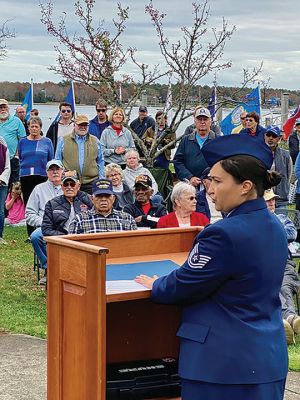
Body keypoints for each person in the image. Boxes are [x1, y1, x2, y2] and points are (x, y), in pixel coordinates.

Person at [135, 134, 288, 400]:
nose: (210, 189)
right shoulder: (275, 226)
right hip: (265, 360)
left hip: (221, 368)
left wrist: (157, 284)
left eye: (217, 181)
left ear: (245, 186)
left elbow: (183, 285)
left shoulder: (222, 234)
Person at [37, 170, 93, 284]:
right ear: (61, 187)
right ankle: (49, 270)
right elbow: (46, 229)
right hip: (62, 241)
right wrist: (65, 237)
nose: (69, 187)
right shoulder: (52, 204)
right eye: (65, 184)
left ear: (78, 185)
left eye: (72, 184)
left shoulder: (88, 199)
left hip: (84, 240)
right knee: (36, 237)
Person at [263, 188, 300, 345]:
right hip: (264, 266)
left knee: (285, 286)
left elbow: (292, 234)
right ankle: (291, 319)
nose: (272, 203)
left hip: (284, 263)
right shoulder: (254, 222)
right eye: (268, 200)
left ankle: (287, 320)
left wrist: (270, 230)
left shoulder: (282, 218)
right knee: (273, 287)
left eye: (273, 200)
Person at [18, 116, 54, 237]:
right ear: (28, 128)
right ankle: (30, 233)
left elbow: (51, 160)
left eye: (36, 126)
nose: (34, 129)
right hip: (26, 176)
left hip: (42, 175)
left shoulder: (46, 141)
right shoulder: (23, 141)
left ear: (40, 128)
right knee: (29, 202)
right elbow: (20, 158)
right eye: (31, 126)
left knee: (43, 202)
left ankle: (44, 228)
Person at [26, 160, 64, 269]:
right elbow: (29, 214)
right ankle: (49, 268)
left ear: (63, 171)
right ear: (46, 172)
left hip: (65, 225)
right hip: (45, 225)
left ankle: (67, 267)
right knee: (35, 236)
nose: (55, 172)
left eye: (57, 169)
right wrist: (43, 222)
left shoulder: (68, 187)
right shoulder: (38, 189)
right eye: (51, 170)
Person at [55, 114, 104, 194]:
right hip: (70, 182)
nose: (83, 127)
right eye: (80, 125)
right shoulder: (63, 140)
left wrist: (101, 178)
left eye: (85, 125)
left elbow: (100, 161)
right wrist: (61, 176)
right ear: (74, 125)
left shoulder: (96, 141)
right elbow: (58, 160)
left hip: (91, 182)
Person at [69, 178, 137, 234]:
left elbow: (136, 244)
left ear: (113, 198)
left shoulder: (128, 219)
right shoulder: (79, 220)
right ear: (92, 199)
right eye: (99, 196)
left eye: (107, 196)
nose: (103, 199)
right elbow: (70, 247)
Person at [173, 106, 217, 187]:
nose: (202, 122)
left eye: (205, 119)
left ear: (210, 122)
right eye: (200, 119)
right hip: (189, 185)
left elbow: (223, 163)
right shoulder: (186, 140)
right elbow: (178, 162)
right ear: (195, 122)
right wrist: (189, 177)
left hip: (212, 185)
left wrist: (212, 178)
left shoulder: (217, 141)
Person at [264, 125, 292, 207]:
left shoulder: (286, 155)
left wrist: (284, 189)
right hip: (263, 199)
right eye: (268, 135)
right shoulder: (257, 154)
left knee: (282, 219)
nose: (271, 138)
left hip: (281, 199)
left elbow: (288, 176)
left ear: (279, 138)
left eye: (274, 136)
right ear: (264, 136)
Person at [0, 98, 26, 185]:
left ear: (8, 108)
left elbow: (22, 140)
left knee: (13, 185)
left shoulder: (16, 121)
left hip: (12, 159)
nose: (3, 110)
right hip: (0, 159)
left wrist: (17, 155)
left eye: (4, 107)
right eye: (0, 108)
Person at [0, 136, 10, 245]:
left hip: (2, 184)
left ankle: (0, 236)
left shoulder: (4, 148)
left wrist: (1, 178)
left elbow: (8, 167)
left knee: (1, 211)